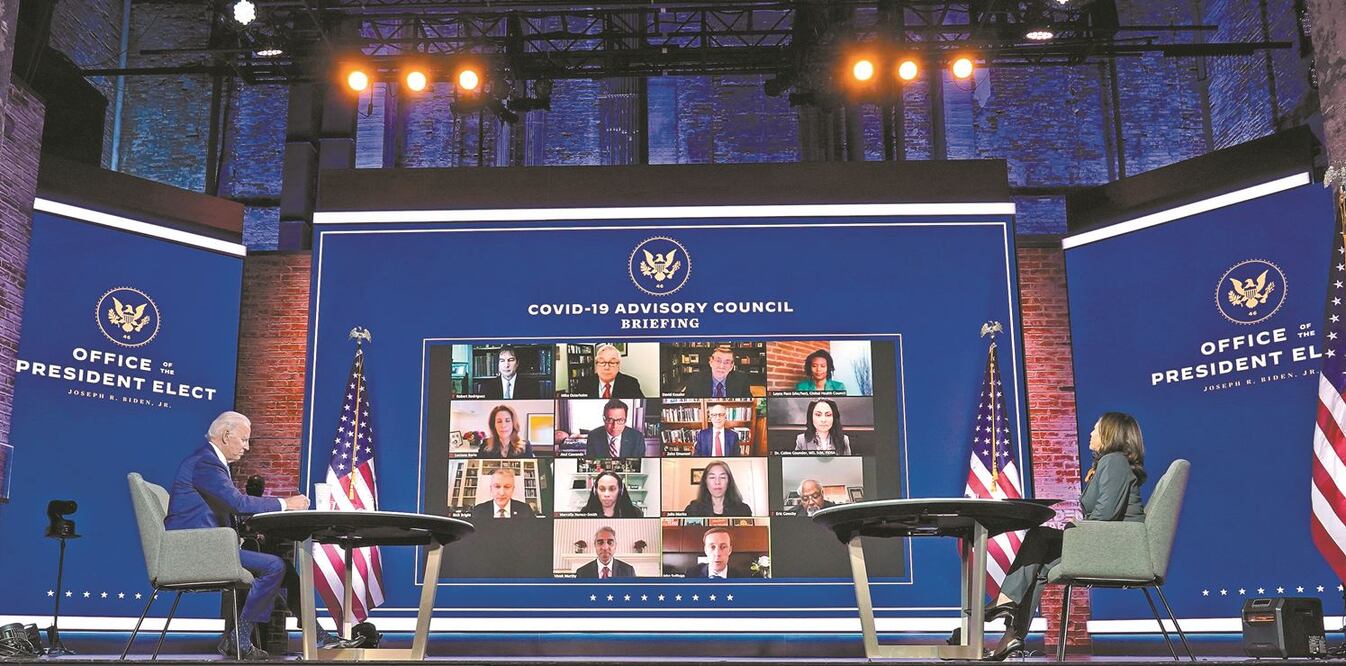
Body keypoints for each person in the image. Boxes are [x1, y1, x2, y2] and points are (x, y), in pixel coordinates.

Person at [165, 411, 355, 659]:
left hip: (209, 546)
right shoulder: (206, 462)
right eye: (244, 440)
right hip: (196, 550)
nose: (246, 447)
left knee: (284, 568)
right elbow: (237, 503)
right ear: (225, 435)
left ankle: (315, 632)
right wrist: (286, 504)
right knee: (274, 566)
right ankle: (239, 638)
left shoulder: (209, 462)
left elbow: (226, 508)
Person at [978, 411, 1148, 660]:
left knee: (1040, 537)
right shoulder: (1110, 463)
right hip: (1106, 543)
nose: (1091, 433)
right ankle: (1011, 635)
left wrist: (1075, 529)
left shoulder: (1114, 461)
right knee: (1039, 561)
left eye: (1096, 428)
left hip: (1116, 549)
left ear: (1110, 434)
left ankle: (1006, 603)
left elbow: (1105, 516)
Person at [682, 460, 752, 516]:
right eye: (712, 477)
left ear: (729, 481)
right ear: (705, 481)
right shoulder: (692, 510)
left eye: (722, 477)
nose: (717, 482)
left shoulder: (744, 510)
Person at [573, 344, 644, 398]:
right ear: (596, 364)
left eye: (612, 363)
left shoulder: (631, 384)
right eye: (602, 362)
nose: (606, 367)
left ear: (618, 365)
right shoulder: (583, 384)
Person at [680, 345, 752, 397]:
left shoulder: (742, 380)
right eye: (718, 361)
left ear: (731, 366)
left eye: (726, 362)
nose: (721, 366)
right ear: (711, 362)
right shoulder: (695, 380)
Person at [470, 467, 538, 519]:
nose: (502, 493)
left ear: (513, 489)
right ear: (491, 489)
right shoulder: (478, 511)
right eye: (497, 486)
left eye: (507, 487)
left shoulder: (525, 510)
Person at [579, 470, 644, 517]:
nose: (606, 494)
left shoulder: (635, 512)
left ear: (620, 491)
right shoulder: (585, 511)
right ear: (595, 491)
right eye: (602, 489)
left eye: (612, 489)